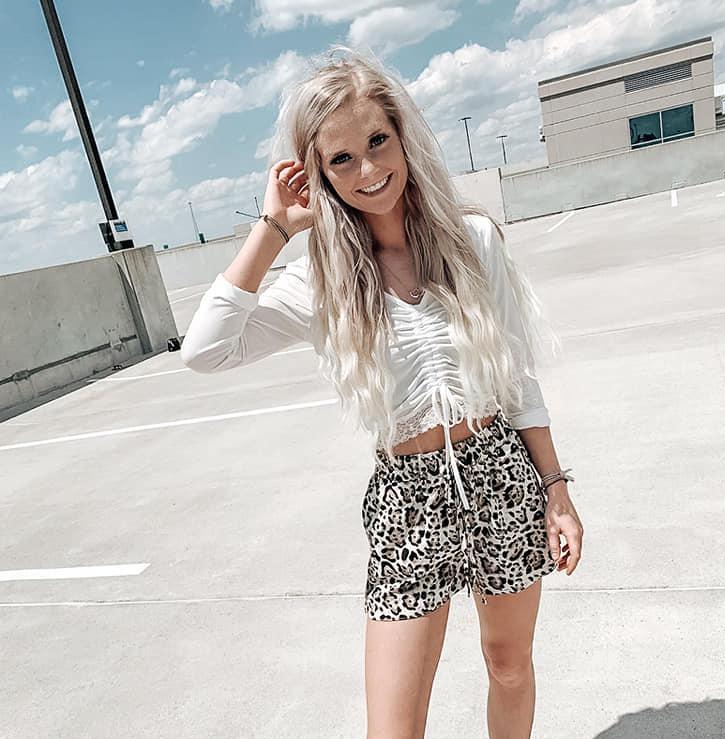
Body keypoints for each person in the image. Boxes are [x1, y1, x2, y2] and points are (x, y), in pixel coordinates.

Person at [181, 44, 584, 739]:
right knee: (392, 729)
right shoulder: (320, 280)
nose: (368, 171)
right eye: (341, 159)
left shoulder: (472, 239)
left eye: (376, 141)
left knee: (509, 665)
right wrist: (274, 229)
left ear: (402, 135)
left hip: (500, 475)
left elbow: (516, 378)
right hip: (407, 499)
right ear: (317, 174)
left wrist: (557, 491)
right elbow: (206, 349)